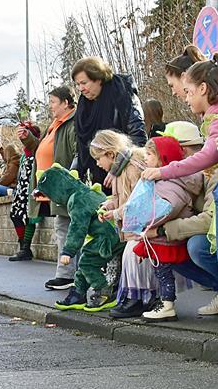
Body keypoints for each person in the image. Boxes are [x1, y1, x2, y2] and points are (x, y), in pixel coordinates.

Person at [143, 52, 218, 316]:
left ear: (203, 89)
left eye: (189, 92)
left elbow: (207, 156)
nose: (186, 97)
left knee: (198, 246)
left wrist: (164, 172)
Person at [136, 135, 204, 323]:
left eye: (149, 154)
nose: (145, 158)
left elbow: (166, 208)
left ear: (162, 158)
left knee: (163, 272)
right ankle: (165, 303)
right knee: (162, 272)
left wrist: (144, 220)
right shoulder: (168, 181)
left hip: (164, 238)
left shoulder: (169, 183)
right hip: (162, 236)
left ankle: (167, 305)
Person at [36, 164, 120, 312]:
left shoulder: (76, 199)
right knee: (85, 262)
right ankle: (78, 294)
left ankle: (103, 291)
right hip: (113, 233)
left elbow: (77, 227)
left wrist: (68, 251)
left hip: (107, 237)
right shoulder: (85, 192)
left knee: (87, 263)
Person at [90, 130, 149, 318]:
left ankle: (138, 299)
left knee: (133, 260)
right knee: (130, 259)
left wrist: (115, 212)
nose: (98, 163)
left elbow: (136, 202)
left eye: (99, 158)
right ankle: (134, 297)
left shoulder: (131, 168)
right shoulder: (118, 170)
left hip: (142, 226)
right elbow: (120, 198)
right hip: (133, 225)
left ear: (110, 153)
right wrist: (110, 204)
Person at [72, 56, 147, 189]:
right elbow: (81, 145)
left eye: (84, 83)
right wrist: (73, 174)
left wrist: (116, 169)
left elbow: (138, 137)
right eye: (78, 84)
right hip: (97, 179)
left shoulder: (123, 96)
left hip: (126, 176)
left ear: (98, 78)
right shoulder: (83, 107)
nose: (80, 88)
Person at [34, 86, 78, 290]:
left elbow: (75, 155)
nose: (50, 106)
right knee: (63, 228)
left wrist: (65, 182)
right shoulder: (56, 124)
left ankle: (67, 274)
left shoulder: (71, 123)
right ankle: (67, 273)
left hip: (66, 189)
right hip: (56, 189)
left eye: (53, 102)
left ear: (66, 103)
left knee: (66, 229)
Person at [7, 121, 42, 261]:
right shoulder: (24, 155)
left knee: (29, 217)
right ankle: (23, 245)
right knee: (15, 214)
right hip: (21, 189)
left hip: (31, 189)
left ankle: (25, 248)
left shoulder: (36, 151)